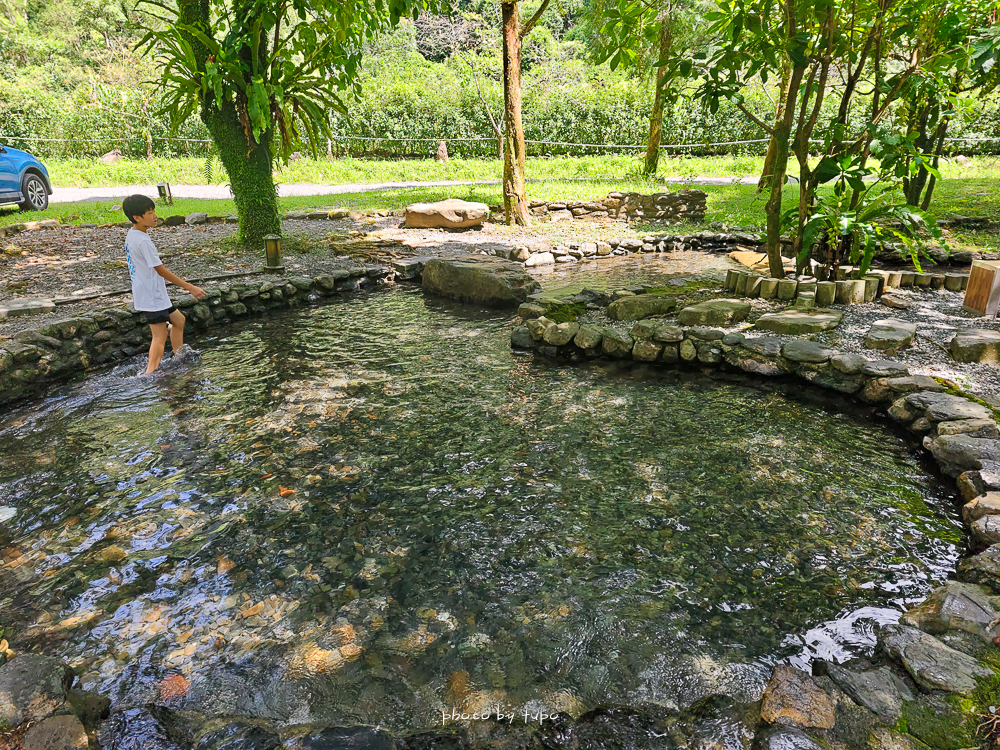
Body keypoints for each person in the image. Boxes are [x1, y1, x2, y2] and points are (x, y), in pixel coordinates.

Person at [122, 194, 207, 374]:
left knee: (179, 320)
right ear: (137, 217)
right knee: (159, 337)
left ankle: (179, 355)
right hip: (152, 295)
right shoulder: (143, 241)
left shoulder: (133, 234)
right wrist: (190, 287)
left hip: (151, 292)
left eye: (154, 212)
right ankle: (149, 374)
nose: (155, 216)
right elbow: (160, 270)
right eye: (150, 213)